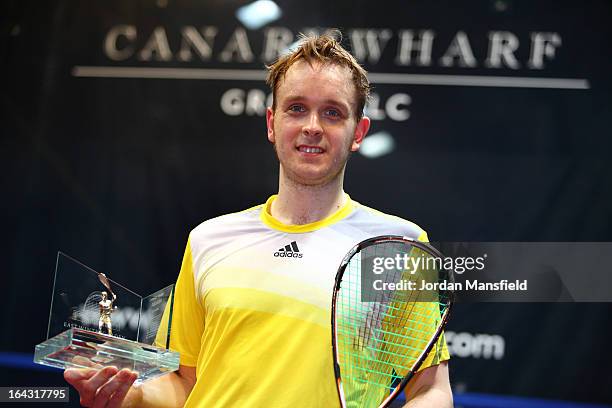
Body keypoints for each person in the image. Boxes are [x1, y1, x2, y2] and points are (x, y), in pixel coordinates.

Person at [64, 32, 452, 408]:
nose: (312, 126)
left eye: (332, 112)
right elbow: (182, 384)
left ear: (358, 132)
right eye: (296, 108)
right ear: (272, 122)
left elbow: (431, 391)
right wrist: (128, 397)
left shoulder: (398, 245)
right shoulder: (208, 239)